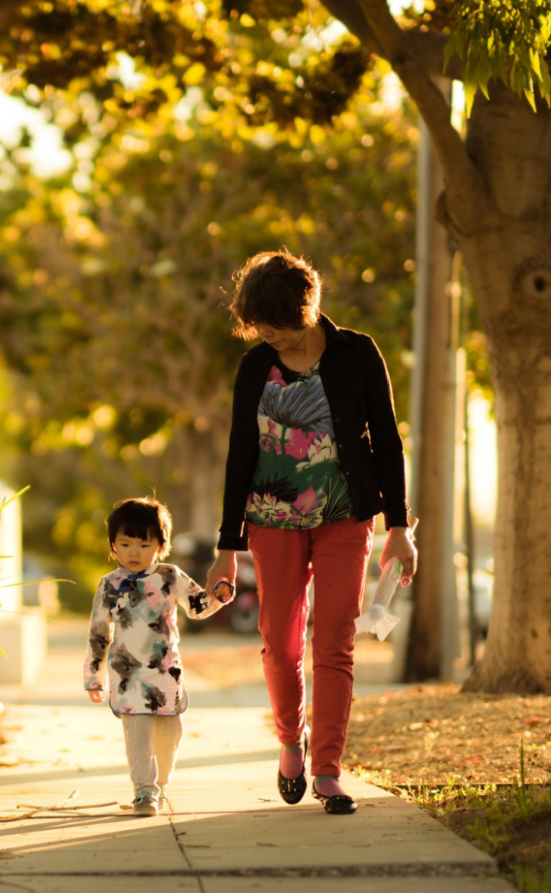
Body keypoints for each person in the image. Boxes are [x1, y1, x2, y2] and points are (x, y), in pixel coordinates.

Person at [206, 250, 417, 816]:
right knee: (280, 641)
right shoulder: (255, 367)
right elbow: (240, 454)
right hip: (270, 520)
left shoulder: (357, 353)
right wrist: (227, 547)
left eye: (272, 325)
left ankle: (327, 768)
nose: (264, 335)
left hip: (346, 515)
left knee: (335, 640)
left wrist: (399, 526)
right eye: (258, 327)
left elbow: (389, 442)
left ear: (304, 310)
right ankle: (289, 739)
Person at [84, 497, 226, 816]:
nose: (134, 552)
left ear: (161, 546)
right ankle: (144, 789)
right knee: (138, 732)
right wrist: (94, 676)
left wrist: (218, 597)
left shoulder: (170, 577)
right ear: (113, 546)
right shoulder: (109, 585)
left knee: (170, 732)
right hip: (127, 674)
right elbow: (98, 631)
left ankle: (160, 780)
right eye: (125, 543)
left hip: (166, 673)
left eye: (144, 544)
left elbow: (197, 607)